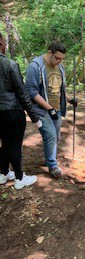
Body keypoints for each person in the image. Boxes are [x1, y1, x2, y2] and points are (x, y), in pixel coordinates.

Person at [26, 41, 77, 178]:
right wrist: (49, 108)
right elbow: (32, 92)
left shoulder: (60, 68)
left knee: (56, 136)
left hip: (57, 108)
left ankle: (50, 158)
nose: (60, 61)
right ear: (50, 53)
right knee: (50, 135)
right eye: (57, 58)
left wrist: (69, 99)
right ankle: (52, 165)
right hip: (42, 110)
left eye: (62, 59)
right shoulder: (35, 67)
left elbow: (60, 88)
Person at [0, 32, 42, 189]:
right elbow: (22, 93)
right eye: (4, 42)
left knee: (4, 143)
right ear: (1, 44)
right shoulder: (10, 65)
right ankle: (19, 178)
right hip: (12, 112)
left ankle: (3, 174)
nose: (6, 46)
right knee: (15, 145)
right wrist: (35, 117)